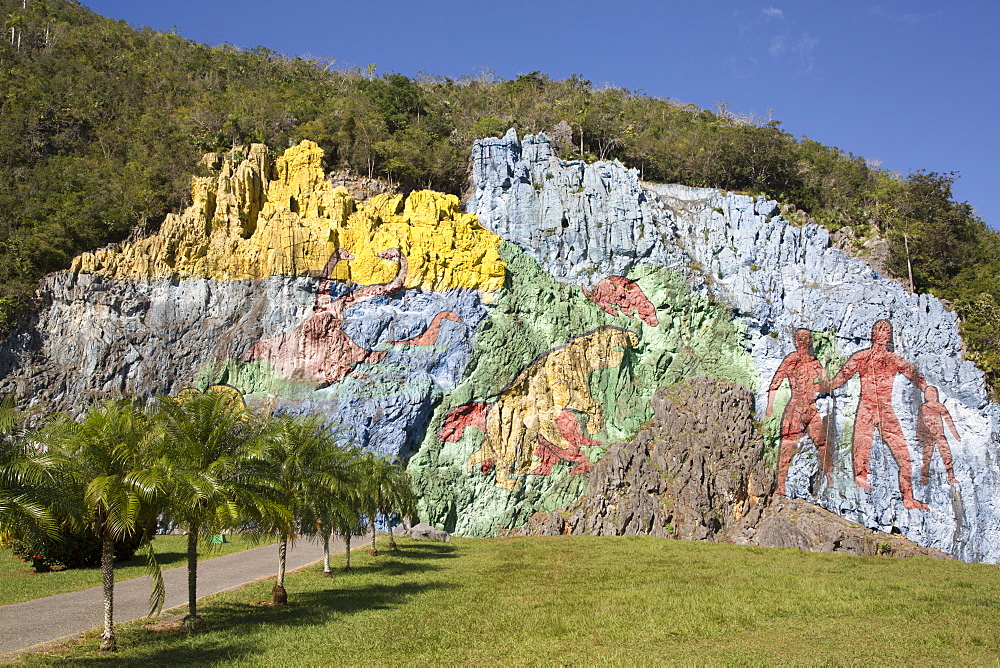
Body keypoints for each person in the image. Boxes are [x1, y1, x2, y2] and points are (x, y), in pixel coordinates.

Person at [824, 320, 928, 510]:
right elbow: (840, 378)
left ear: (890, 336)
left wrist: (928, 391)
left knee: (903, 455)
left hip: (886, 410)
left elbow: (915, 376)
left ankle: (908, 497)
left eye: (887, 330)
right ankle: (860, 485)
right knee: (861, 448)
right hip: (866, 407)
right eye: (879, 329)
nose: (883, 333)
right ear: (872, 333)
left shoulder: (894, 359)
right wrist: (821, 386)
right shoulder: (862, 357)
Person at [766, 329, 830, 495]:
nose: (802, 341)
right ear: (795, 341)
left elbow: (826, 383)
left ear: (809, 341)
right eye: (799, 338)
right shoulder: (791, 359)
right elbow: (776, 381)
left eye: (806, 338)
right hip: (795, 408)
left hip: (812, 409)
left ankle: (831, 481)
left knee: (822, 444)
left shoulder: (814, 362)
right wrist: (770, 406)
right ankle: (780, 486)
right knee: (787, 445)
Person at [917, 386, 960, 485]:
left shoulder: (940, 406)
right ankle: (924, 478)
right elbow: (919, 423)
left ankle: (951, 476)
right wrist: (918, 437)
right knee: (926, 457)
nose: (930, 395)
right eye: (928, 393)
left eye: (932, 393)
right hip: (928, 436)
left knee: (947, 455)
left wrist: (955, 435)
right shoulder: (922, 408)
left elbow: (949, 421)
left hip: (939, 435)